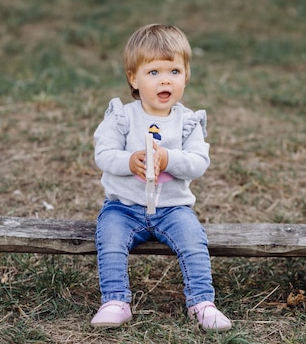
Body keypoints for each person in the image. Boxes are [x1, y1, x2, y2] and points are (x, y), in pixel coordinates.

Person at [91, 24, 232, 332]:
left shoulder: (187, 122)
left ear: (186, 76)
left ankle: (201, 303)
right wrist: (129, 161)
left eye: (174, 71)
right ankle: (115, 300)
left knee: (194, 242)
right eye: (153, 72)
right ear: (134, 79)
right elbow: (103, 154)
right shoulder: (123, 117)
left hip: (173, 208)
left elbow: (198, 162)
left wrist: (170, 158)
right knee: (110, 239)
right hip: (124, 207)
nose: (165, 79)